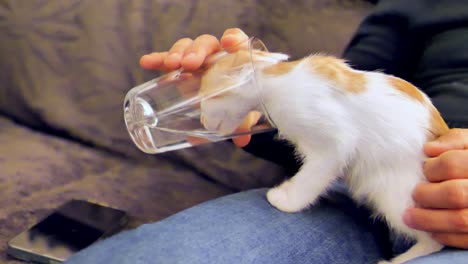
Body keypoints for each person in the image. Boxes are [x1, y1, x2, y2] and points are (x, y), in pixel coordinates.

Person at [66, 0, 468, 263]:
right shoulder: (415, 6)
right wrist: (239, 96)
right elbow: (334, 114)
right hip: (354, 179)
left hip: (415, 172)